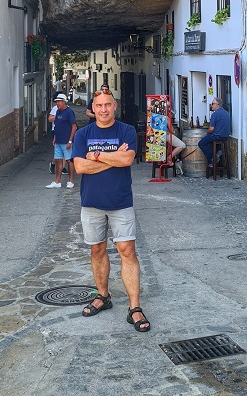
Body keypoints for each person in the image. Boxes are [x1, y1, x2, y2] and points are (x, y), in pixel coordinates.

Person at [72, 88, 150, 331]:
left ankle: (134, 308)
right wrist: (111, 156)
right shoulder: (83, 133)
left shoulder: (126, 130)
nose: (103, 109)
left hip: (120, 202)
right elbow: (80, 167)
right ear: (92, 109)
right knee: (97, 250)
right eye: (99, 105)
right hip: (91, 202)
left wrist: (95, 156)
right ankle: (102, 296)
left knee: (128, 252)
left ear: (114, 106)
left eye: (108, 104)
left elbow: (126, 160)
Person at [46, 94, 77, 188]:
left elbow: (74, 127)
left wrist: (70, 141)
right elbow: (56, 126)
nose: (57, 103)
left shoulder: (69, 112)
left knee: (69, 161)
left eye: (59, 101)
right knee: (58, 160)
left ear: (64, 102)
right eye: (56, 102)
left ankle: (70, 181)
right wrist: (55, 138)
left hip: (66, 141)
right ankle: (57, 181)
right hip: (58, 141)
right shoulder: (58, 112)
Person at [198, 97, 230, 167]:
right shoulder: (226, 113)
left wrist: (206, 133)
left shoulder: (215, 114)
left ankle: (213, 158)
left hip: (217, 136)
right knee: (211, 143)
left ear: (217, 105)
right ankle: (218, 152)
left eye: (212, 104)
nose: (211, 105)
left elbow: (211, 129)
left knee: (201, 143)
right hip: (225, 137)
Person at [168, 111, 186, 175]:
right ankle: (170, 157)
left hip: (156, 138)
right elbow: (172, 130)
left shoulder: (152, 116)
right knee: (182, 145)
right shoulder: (165, 117)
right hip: (165, 135)